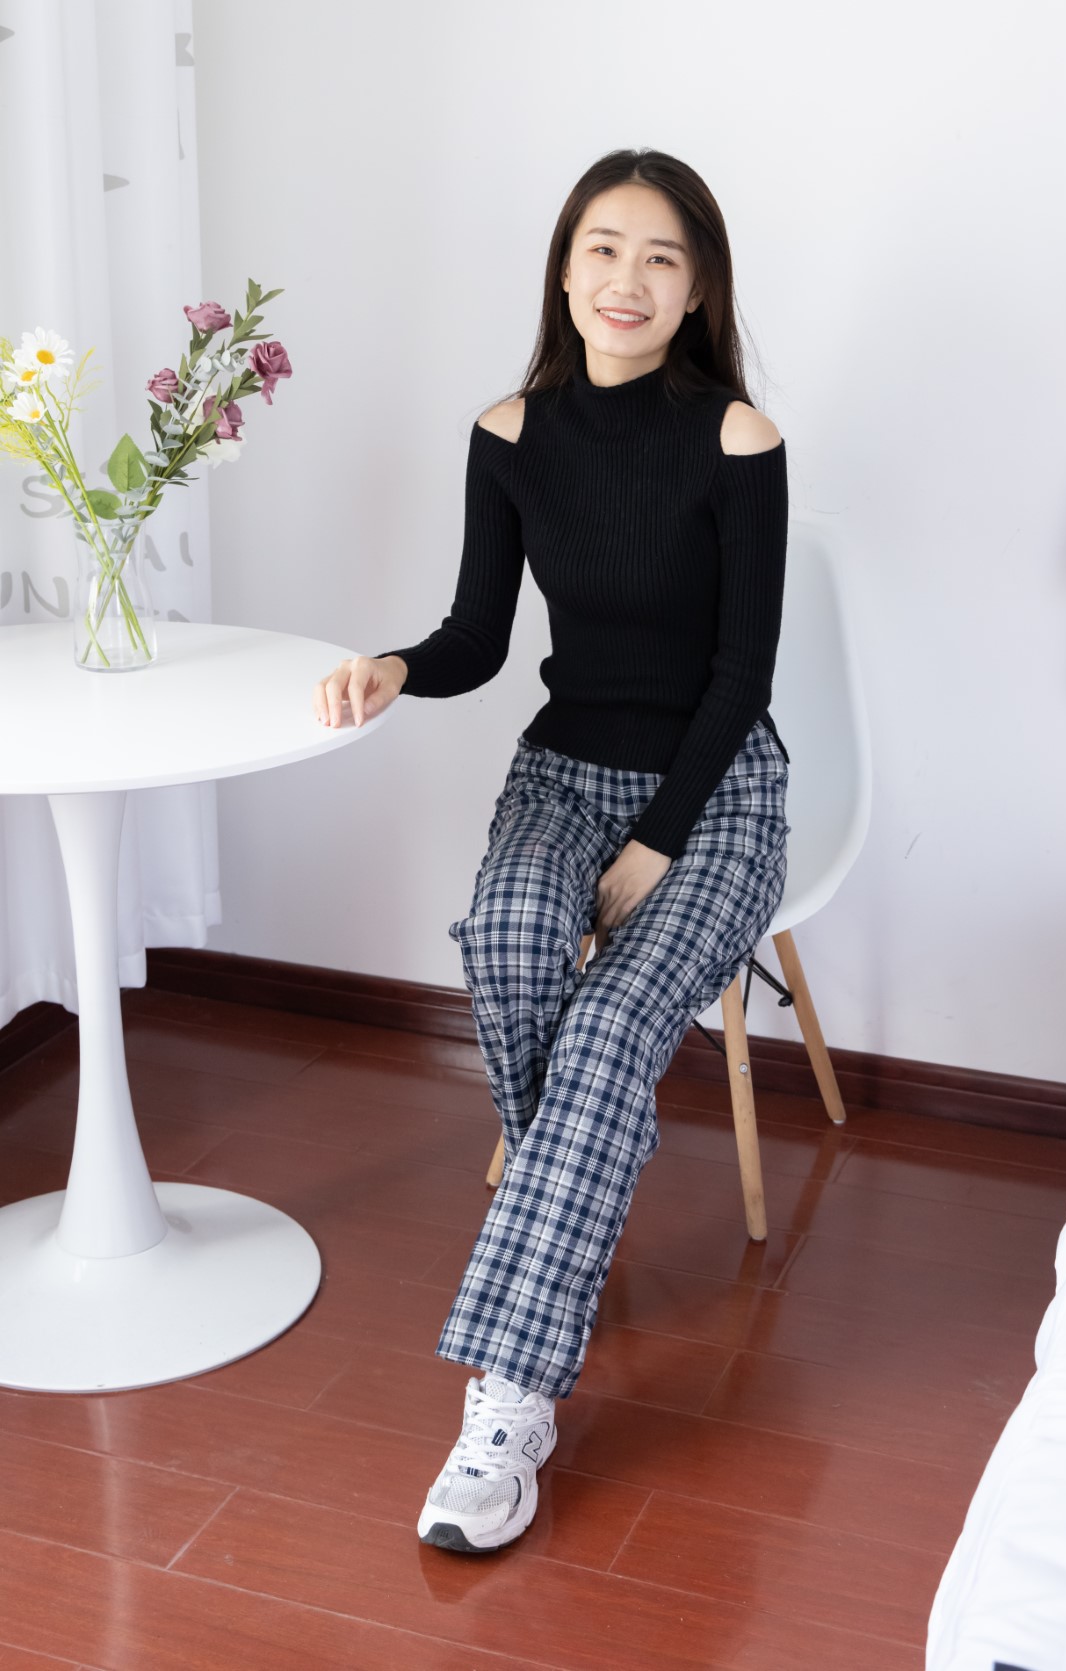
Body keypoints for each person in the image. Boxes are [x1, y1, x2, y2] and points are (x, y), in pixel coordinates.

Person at [313, 147, 791, 1553]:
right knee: (513, 944)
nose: (626, 279)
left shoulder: (739, 440)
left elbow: (742, 677)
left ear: (696, 290)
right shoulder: (510, 433)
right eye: (603, 248)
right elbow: (477, 638)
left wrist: (658, 842)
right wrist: (396, 667)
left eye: (660, 257)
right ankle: (572, 1192)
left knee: (606, 1034)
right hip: (562, 774)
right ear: (565, 269)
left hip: (716, 791)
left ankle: (507, 1406)